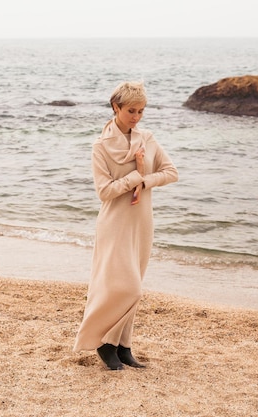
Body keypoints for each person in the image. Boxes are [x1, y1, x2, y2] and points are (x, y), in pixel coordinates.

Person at [73, 81, 179, 370]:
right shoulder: (101, 147)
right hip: (114, 222)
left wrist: (146, 180)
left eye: (141, 111)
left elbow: (171, 172)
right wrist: (136, 174)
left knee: (135, 283)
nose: (136, 117)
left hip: (142, 222)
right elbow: (104, 192)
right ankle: (102, 342)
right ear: (115, 108)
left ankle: (123, 346)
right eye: (131, 110)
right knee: (125, 287)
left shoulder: (147, 139)